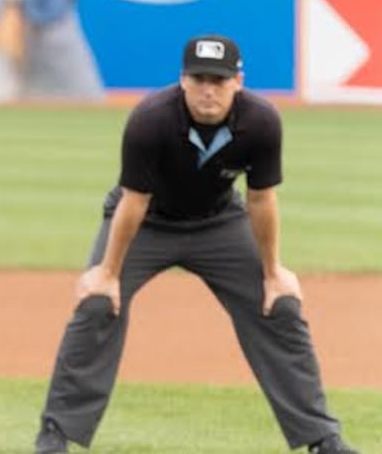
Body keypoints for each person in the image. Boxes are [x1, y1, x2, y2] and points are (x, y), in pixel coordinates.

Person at [33, 35, 358, 454]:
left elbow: (261, 200)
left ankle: (322, 438)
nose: (209, 89)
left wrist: (273, 272)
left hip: (218, 223)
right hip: (146, 222)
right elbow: (134, 201)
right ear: (182, 80)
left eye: (219, 80)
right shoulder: (152, 119)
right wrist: (108, 274)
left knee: (279, 307)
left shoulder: (260, 121)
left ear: (237, 82)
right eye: (199, 78)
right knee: (98, 303)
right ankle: (55, 434)